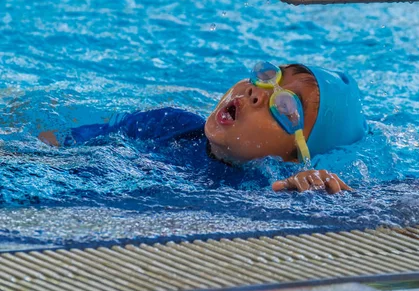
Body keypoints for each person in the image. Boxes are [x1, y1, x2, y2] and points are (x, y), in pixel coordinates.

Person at [38, 61, 367, 194]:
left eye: (284, 107)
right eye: (272, 77)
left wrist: (309, 195)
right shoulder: (167, 123)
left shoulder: (259, 189)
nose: (256, 94)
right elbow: (51, 145)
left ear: (296, 156)